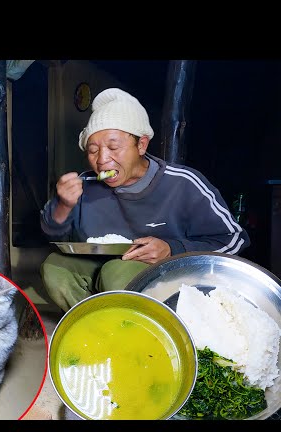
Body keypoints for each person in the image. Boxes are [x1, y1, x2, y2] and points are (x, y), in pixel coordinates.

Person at [39, 88, 250, 312]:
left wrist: (172, 249)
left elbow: (234, 240)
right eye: (92, 150)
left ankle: (140, 331)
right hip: (100, 265)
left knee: (115, 273)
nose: (101, 160)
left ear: (141, 145)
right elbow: (52, 233)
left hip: (166, 276)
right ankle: (98, 324)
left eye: (113, 147)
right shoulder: (86, 184)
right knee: (55, 267)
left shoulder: (183, 183)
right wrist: (63, 205)